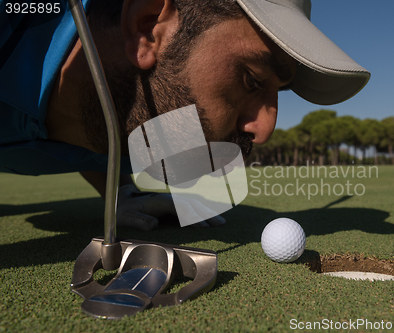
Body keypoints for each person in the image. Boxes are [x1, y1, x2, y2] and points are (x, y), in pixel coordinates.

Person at [0, 0, 370, 230]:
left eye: (279, 92)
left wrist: (119, 192)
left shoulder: (137, 119)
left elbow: (95, 119)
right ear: (147, 26)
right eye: (252, 79)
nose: (265, 129)